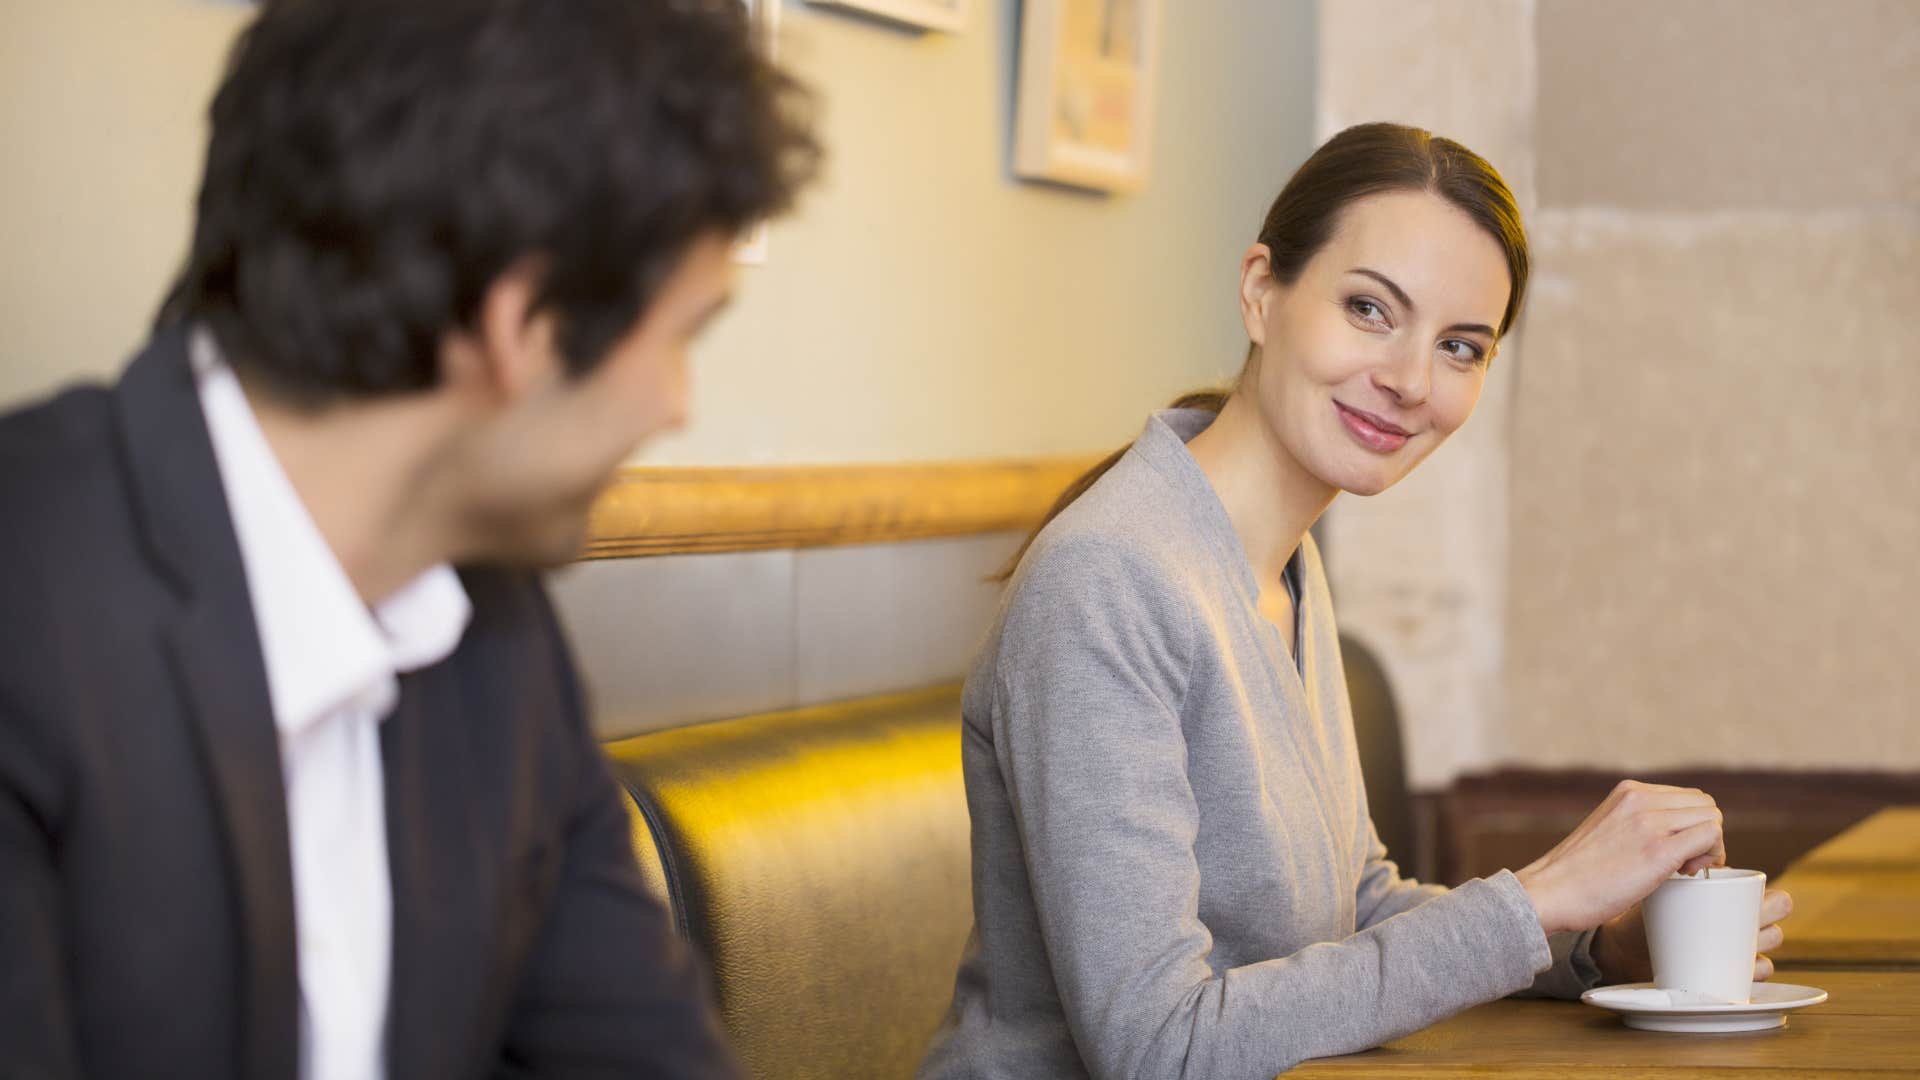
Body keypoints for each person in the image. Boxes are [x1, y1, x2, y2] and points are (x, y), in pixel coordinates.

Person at [0, 0, 817, 1076]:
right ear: (521, 323)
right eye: (682, 338)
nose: (679, 405)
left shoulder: (499, 635)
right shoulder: (31, 597)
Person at [918, 122, 1792, 1079]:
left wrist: (1595, 949)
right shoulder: (1108, 579)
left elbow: (1355, 905)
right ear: (1262, 292)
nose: (1411, 381)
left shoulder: (1283, 563)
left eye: (1460, 347)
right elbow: (1159, 1047)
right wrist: (1538, 898)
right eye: (1370, 309)